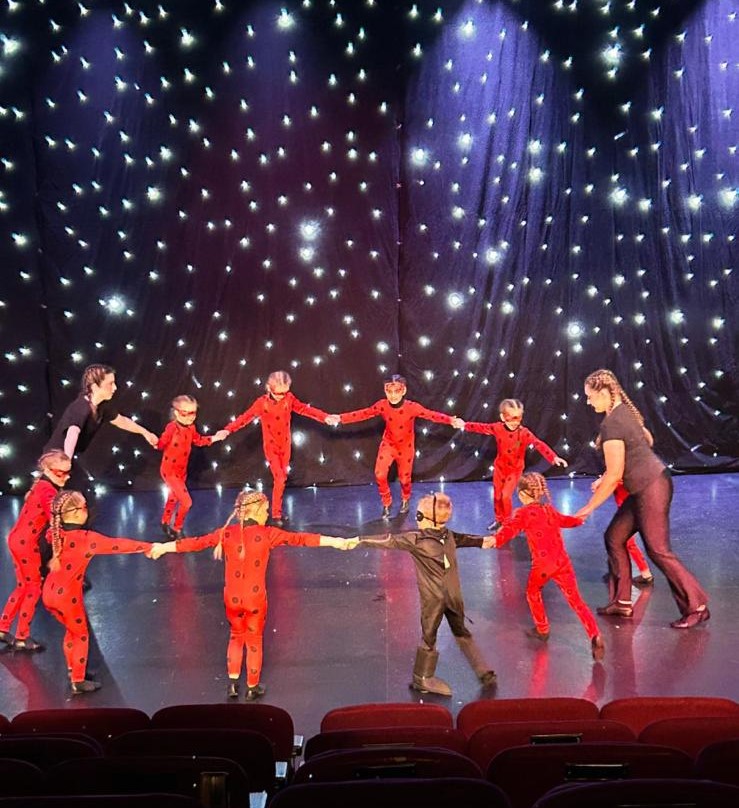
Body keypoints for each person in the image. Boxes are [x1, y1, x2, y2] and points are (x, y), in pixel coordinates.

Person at [149, 490, 355, 700]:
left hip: (232, 598)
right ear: (254, 510)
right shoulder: (267, 534)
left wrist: (163, 547)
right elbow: (301, 539)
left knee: (236, 637)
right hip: (255, 599)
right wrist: (337, 542)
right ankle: (252, 686)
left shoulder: (226, 533)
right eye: (265, 510)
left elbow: (195, 543)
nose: (267, 514)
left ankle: (232, 684)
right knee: (254, 640)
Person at [575, 368, 708, 628]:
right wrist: (610, 475)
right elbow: (645, 440)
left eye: (590, 397)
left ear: (604, 393)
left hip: (652, 487)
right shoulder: (624, 411)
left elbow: (615, 476)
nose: (588, 402)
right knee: (614, 537)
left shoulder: (612, 423)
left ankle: (697, 605)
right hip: (644, 486)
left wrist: (587, 508)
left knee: (658, 549)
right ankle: (622, 602)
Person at [357, 492, 496, 696]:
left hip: (443, 600)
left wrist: (355, 540)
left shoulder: (427, 538)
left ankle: (438, 676)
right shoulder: (434, 537)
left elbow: (387, 540)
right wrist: (486, 541)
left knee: (444, 634)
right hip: (445, 598)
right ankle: (440, 675)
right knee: (446, 634)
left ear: (423, 518)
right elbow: (467, 539)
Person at [42, 490, 152, 693]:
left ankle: (73, 669)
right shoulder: (85, 538)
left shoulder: (56, 532)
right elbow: (117, 545)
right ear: (75, 514)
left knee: (71, 632)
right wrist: (147, 546)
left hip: (49, 593)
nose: (88, 511)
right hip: (67, 597)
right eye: (84, 507)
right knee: (82, 636)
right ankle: (78, 680)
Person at [491, 472, 605, 662]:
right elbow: (567, 521)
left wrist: (494, 540)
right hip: (562, 562)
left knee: (533, 592)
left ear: (522, 494)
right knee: (576, 601)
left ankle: (542, 629)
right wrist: (579, 519)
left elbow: (509, 530)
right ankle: (594, 634)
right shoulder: (548, 509)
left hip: (543, 565)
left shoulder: (522, 513)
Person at [213, 371, 334, 526]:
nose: (282, 396)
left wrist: (324, 416)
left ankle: (277, 514)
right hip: (271, 446)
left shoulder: (289, 399)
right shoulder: (261, 403)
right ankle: (276, 515)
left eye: (285, 392)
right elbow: (244, 418)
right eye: (278, 393)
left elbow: (305, 409)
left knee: (281, 479)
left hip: (285, 445)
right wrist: (227, 430)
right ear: (268, 388)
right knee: (280, 478)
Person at [335, 375, 460, 518]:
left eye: (397, 391)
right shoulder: (382, 405)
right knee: (380, 474)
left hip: (406, 448)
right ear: (385, 391)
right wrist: (340, 418)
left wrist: (450, 420)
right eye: (389, 391)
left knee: (405, 479)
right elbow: (363, 414)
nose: (393, 395)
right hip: (388, 445)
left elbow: (431, 415)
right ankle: (387, 503)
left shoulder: (412, 407)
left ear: (403, 390)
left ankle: (405, 499)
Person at [43, 364, 159, 508]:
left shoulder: (103, 406)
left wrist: (145, 433)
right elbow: (72, 433)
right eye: (110, 384)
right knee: (55, 501)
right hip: (55, 460)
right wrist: (66, 463)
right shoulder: (81, 407)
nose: (115, 387)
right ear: (94, 386)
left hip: (67, 458)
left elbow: (121, 421)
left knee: (79, 501)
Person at [457, 398, 568, 530]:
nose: (515, 422)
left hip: (515, 469)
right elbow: (480, 427)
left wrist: (553, 457)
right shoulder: (497, 428)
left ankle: (509, 523)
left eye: (519, 418)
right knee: (497, 496)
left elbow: (538, 444)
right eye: (512, 418)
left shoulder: (524, 433)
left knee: (505, 496)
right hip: (500, 468)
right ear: (503, 417)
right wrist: (464, 425)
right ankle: (499, 520)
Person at [0, 450, 71, 652]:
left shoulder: (41, 486)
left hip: (16, 539)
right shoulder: (48, 492)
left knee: (24, 586)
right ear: (48, 470)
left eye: (67, 473)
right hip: (25, 543)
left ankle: (3, 627)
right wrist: (58, 549)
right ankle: (22, 636)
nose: (66, 477)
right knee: (33, 589)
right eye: (61, 473)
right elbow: (54, 522)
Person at [157, 394, 225, 538]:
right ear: (176, 412)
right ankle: (177, 528)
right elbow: (161, 444)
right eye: (185, 413)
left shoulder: (191, 428)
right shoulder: (171, 428)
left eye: (193, 413)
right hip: (169, 470)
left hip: (182, 470)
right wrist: (156, 442)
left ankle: (165, 521)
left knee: (173, 497)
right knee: (186, 502)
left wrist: (213, 438)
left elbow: (198, 440)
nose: (190, 417)